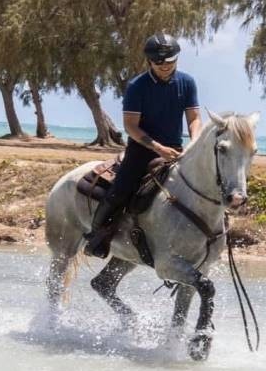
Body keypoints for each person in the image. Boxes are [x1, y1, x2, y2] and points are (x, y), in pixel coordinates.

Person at [84, 32, 203, 258]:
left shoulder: (187, 83)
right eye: (160, 62)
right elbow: (131, 126)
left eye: (170, 61)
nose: (166, 66)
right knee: (121, 189)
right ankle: (95, 236)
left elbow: (194, 118)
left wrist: (194, 142)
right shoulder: (137, 86)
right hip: (142, 149)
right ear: (150, 61)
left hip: (177, 149)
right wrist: (158, 148)